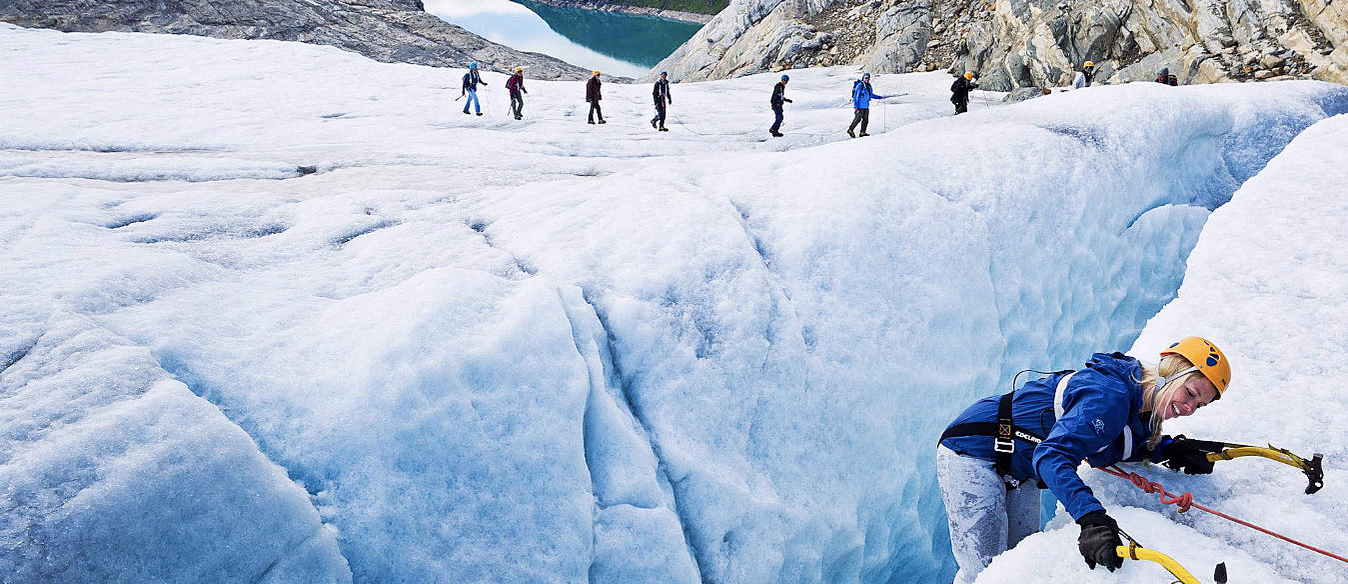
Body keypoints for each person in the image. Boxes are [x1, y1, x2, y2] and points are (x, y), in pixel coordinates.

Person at [937, 337, 1234, 584]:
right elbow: (1052, 455)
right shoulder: (1110, 397)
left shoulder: (1139, 406)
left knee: (1014, 568)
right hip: (972, 452)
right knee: (985, 574)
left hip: (1018, 468)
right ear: (1170, 372)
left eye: (1199, 405)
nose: (1190, 407)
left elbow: (1111, 443)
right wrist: (1090, 518)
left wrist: (1171, 450)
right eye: (1190, 393)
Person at [847, 72, 888, 138]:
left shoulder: (869, 86)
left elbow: (871, 95)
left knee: (865, 120)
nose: (867, 79)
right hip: (860, 106)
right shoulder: (860, 85)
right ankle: (850, 130)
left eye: (868, 78)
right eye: (866, 78)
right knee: (858, 119)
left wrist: (879, 97)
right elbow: (856, 96)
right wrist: (856, 106)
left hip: (866, 106)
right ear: (863, 78)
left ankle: (862, 132)